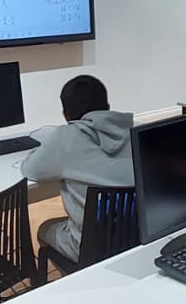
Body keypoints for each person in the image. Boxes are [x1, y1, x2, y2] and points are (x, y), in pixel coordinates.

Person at [21, 75, 135, 265]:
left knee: (44, 228)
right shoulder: (134, 131)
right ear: (107, 106)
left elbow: (31, 169)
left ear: (66, 115)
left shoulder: (66, 138)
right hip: (135, 237)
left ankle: (74, 275)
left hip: (91, 247)